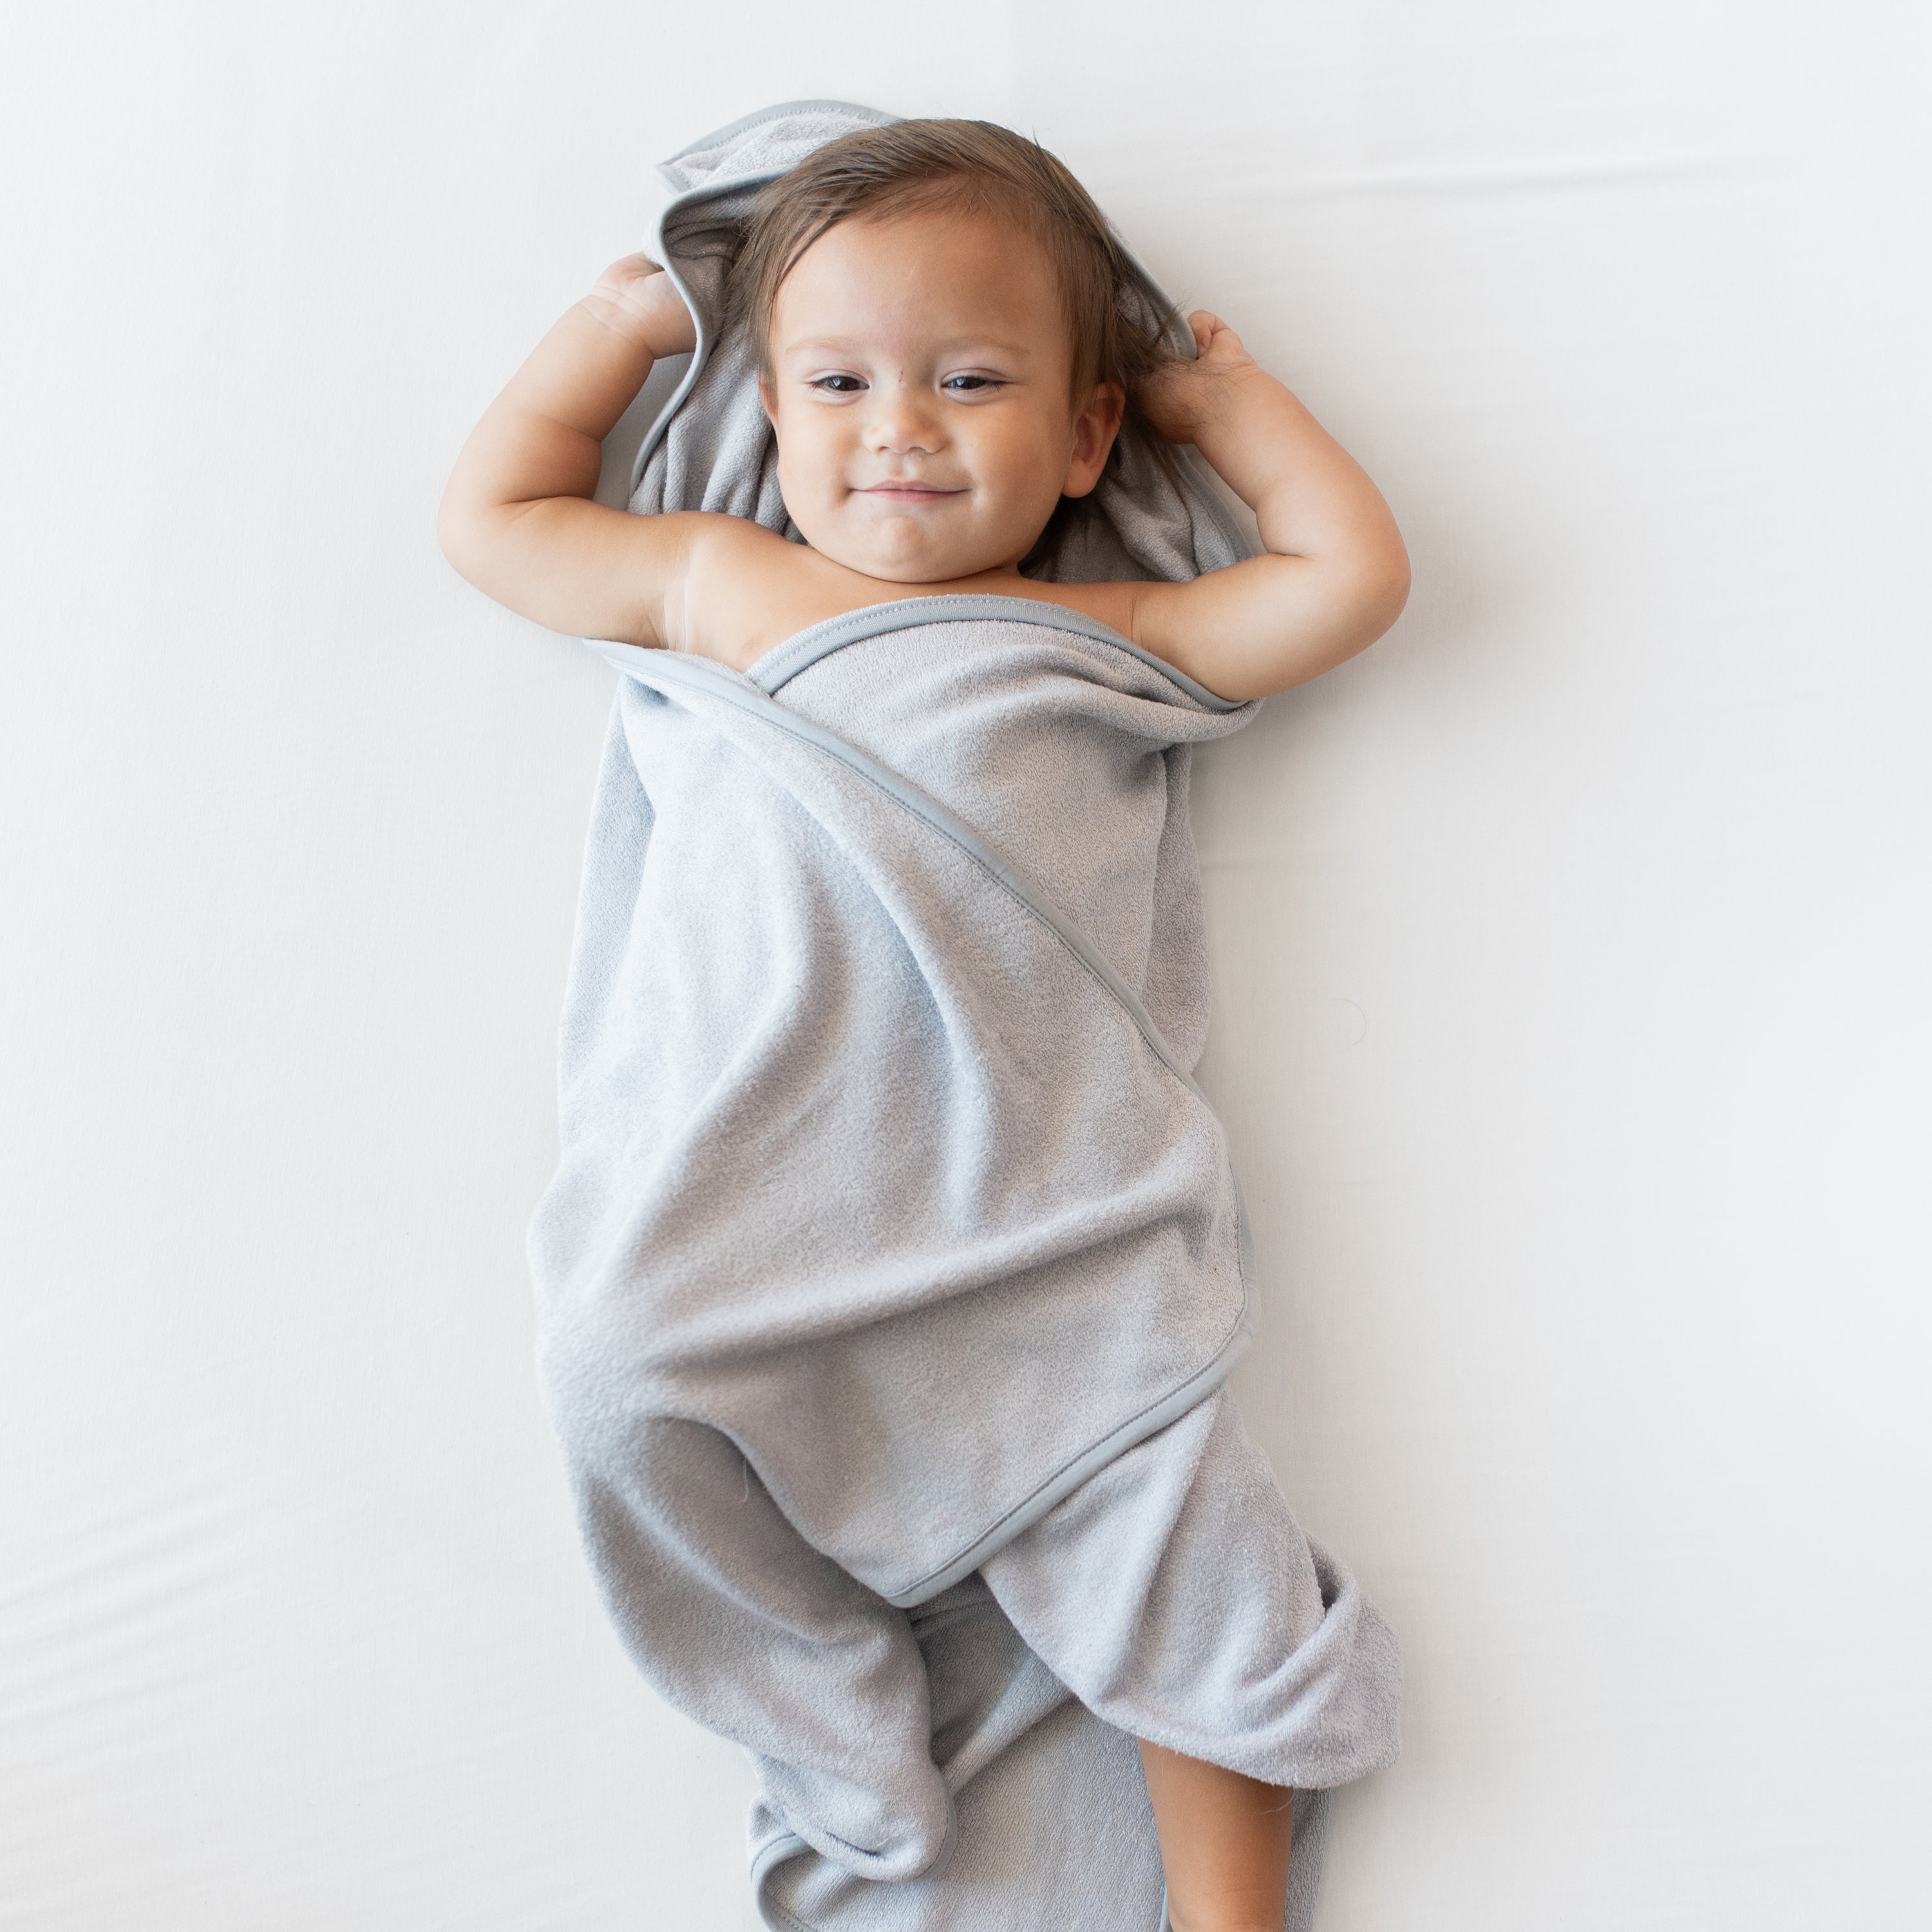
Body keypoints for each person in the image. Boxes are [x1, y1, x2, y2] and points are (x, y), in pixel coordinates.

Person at [440, 115, 1407, 1932]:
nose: (900, 426)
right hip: (757, 1203)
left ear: (1082, 435)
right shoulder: (719, 589)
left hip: (1044, 1223)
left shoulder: (1099, 632)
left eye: (971, 380)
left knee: (1194, 1567)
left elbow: (1347, 583)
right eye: (839, 382)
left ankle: (1231, 1910)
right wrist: (610, 335)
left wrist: (1238, 413)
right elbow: (494, 521)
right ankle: (825, 1712)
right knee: (614, 1382)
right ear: (775, 417)